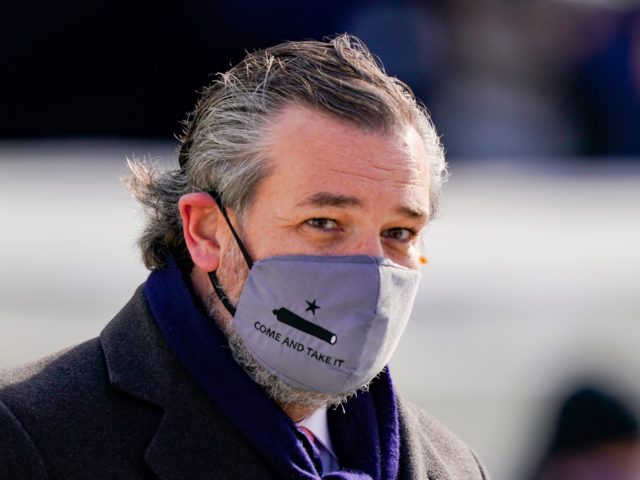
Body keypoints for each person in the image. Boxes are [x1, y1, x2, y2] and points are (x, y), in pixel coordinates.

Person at [0, 35, 489, 479]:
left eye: (399, 232)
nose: (370, 268)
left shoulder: (453, 466)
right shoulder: (29, 437)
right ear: (206, 231)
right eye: (323, 223)